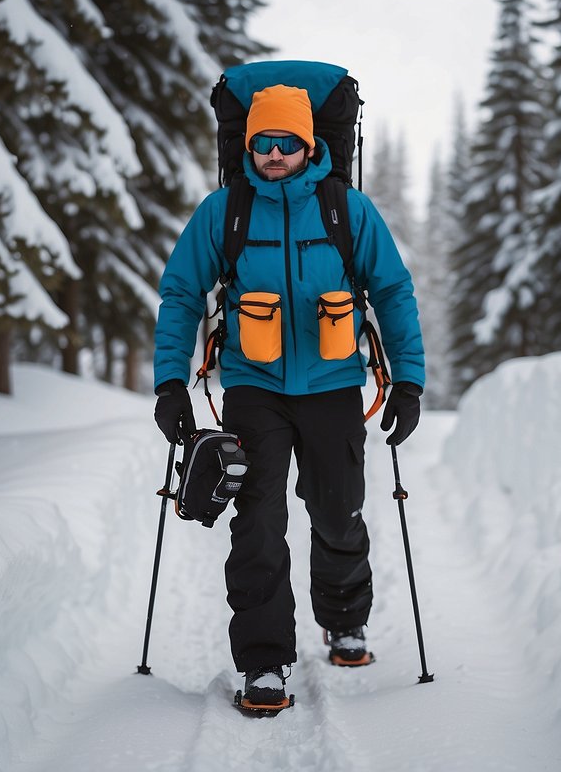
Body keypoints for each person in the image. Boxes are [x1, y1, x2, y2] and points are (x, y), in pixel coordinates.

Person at [152, 82, 424, 710]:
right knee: (258, 523)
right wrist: (171, 382)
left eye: (287, 142)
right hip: (253, 386)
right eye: (262, 142)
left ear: (309, 144)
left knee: (337, 509)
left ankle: (345, 615)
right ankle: (264, 662)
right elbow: (182, 295)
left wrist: (408, 380)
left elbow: (393, 292)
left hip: (332, 387)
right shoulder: (225, 211)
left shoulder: (347, 211)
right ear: (249, 145)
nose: (274, 153)